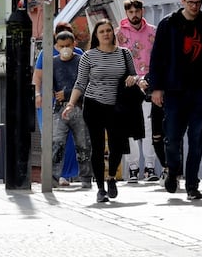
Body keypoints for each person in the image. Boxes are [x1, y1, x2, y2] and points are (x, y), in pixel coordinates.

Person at [148, 0, 202, 201]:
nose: (194, 6)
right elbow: (157, 58)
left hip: (200, 90)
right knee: (172, 138)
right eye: (190, 2)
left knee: (197, 139)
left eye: (198, 3)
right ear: (182, 1)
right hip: (174, 89)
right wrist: (156, 88)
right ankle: (173, 171)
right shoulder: (168, 24)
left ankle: (192, 184)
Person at [63, 20, 140, 203]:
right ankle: (100, 188)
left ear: (113, 33)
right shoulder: (89, 56)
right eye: (101, 32)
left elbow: (133, 74)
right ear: (96, 36)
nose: (105, 34)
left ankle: (111, 177)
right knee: (97, 148)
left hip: (117, 106)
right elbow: (80, 83)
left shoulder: (124, 53)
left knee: (117, 146)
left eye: (108, 31)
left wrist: (132, 78)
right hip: (94, 104)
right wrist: (71, 104)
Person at [33, 20, 84, 185]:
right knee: (51, 138)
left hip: (72, 102)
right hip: (49, 102)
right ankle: (51, 173)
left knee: (69, 139)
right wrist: (38, 94)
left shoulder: (78, 53)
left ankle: (63, 174)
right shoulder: (46, 53)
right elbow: (38, 76)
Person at [115, 0, 159, 183]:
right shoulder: (118, 34)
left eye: (137, 11)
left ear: (142, 11)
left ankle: (150, 167)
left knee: (150, 127)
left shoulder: (154, 32)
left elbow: (158, 58)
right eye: (130, 12)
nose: (134, 15)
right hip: (128, 84)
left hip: (149, 84)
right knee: (130, 127)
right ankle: (133, 168)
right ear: (126, 13)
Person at [44, 31, 92, 188]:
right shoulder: (52, 63)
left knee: (83, 144)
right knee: (57, 143)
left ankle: (86, 178)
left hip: (81, 108)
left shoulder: (82, 61)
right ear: (57, 47)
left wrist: (66, 93)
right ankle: (52, 178)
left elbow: (87, 85)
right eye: (62, 46)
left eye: (68, 46)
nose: (65, 49)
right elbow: (46, 84)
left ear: (74, 45)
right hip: (59, 109)